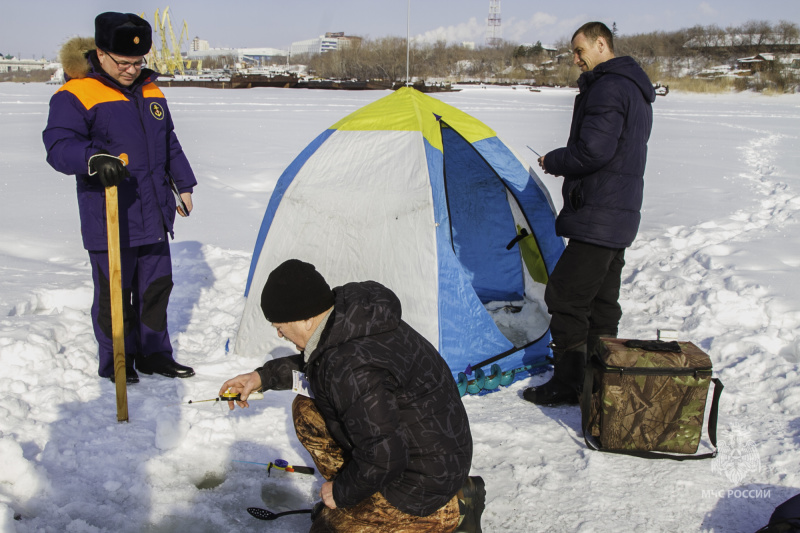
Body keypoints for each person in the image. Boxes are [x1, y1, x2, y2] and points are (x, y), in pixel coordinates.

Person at [220, 259, 483, 532]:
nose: (278, 333)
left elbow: (385, 455)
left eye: (280, 325)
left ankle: (454, 511)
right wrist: (262, 377)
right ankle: (362, 497)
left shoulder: (349, 367)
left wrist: (342, 493)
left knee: (327, 529)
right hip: (435, 450)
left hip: (423, 482)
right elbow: (317, 362)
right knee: (307, 410)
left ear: (306, 318)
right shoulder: (352, 321)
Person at [43, 12, 197, 384]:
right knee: (115, 294)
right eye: (123, 62)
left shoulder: (150, 90)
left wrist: (184, 184)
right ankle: (118, 359)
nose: (131, 69)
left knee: (156, 289)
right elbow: (59, 146)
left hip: (155, 210)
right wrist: (92, 159)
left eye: (138, 62)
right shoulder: (75, 93)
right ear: (101, 52)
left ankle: (155, 354)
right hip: (110, 212)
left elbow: (168, 141)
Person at [525, 21, 656, 406]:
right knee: (601, 302)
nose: (576, 59)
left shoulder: (610, 87)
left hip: (600, 213)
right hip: (620, 212)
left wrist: (555, 160)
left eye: (580, 50)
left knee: (566, 295)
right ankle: (600, 377)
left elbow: (594, 150)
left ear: (602, 44)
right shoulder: (633, 88)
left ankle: (569, 383)